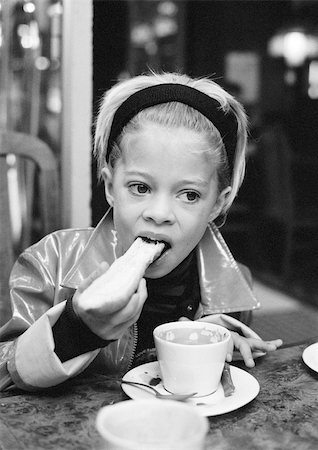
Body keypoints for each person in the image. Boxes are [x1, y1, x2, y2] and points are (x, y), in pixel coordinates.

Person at [0, 71, 282, 391]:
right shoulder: (48, 263)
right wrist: (75, 330)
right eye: (140, 187)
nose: (159, 214)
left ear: (219, 204)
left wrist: (219, 348)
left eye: (189, 195)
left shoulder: (234, 286)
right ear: (110, 186)